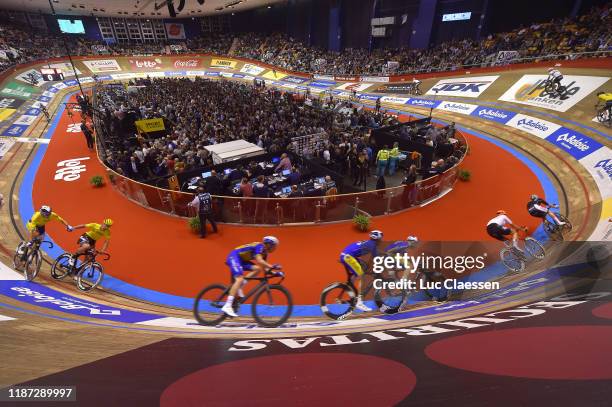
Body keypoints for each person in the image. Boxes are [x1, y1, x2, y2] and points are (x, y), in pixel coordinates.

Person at [221, 236, 282, 317]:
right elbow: (259, 260)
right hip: (234, 256)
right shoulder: (260, 246)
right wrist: (272, 266)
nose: (275, 248)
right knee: (239, 279)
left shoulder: (264, 253)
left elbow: (265, 268)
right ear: (269, 244)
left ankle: (240, 286)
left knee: (257, 269)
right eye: (274, 246)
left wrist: (275, 273)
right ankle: (227, 306)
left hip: (241, 260)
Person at [339, 230, 386, 312]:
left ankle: (350, 291)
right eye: (381, 239)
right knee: (362, 276)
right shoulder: (372, 245)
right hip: (348, 257)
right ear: (377, 239)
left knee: (360, 270)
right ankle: (359, 302)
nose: (381, 240)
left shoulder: (369, 243)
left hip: (347, 255)